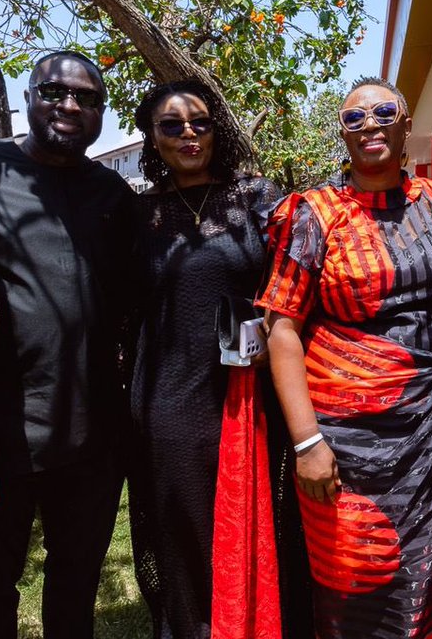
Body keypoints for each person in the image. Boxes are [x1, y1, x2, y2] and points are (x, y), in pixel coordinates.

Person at [258, 75, 432, 638]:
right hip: (348, 438)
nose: (369, 126)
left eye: (382, 113)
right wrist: (308, 443)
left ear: (406, 123)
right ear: (343, 135)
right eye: (354, 119)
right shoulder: (313, 213)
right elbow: (281, 327)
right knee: (356, 573)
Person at [0, 50, 137, 639]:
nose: (70, 106)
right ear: (27, 98)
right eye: (55, 93)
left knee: (75, 583)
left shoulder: (114, 195)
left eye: (87, 99)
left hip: (93, 431)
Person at [128, 79, 309, 639]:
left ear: (217, 129)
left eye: (199, 123)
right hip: (171, 400)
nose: (188, 135)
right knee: (186, 529)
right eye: (171, 125)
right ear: (151, 139)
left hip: (250, 396)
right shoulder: (137, 216)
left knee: (263, 524)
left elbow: (296, 289)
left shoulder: (258, 199)